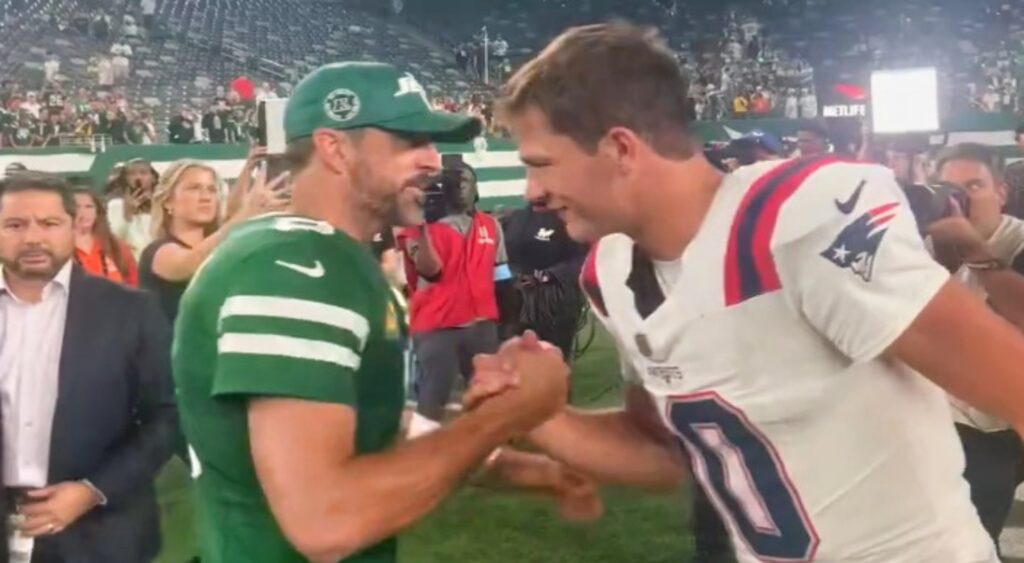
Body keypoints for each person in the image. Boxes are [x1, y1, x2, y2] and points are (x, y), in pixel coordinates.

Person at [470, 22, 1024, 562]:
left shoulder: (797, 220)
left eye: (541, 165)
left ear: (620, 148)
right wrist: (536, 415)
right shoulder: (611, 271)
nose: (533, 192)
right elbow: (669, 451)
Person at [173, 61, 596, 563]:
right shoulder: (298, 269)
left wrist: (531, 470)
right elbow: (325, 522)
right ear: (335, 148)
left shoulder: (315, 255)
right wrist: (512, 412)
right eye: (409, 140)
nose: (433, 161)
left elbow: (371, 423)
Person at [0, 172, 177, 562]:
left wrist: (93, 489)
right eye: (14, 224)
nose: (32, 238)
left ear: (74, 225)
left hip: (100, 533)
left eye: (48, 224)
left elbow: (166, 417)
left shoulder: (131, 311)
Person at [930, 143, 1024, 550]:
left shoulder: (1017, 240)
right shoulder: (927, 242)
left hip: (997, 423)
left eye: (975, 186)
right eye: (949, 189)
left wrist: (974, 250)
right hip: (936, 413)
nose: (961, 200)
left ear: (1001, 192)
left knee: (968, 539)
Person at [397, 162, 512, 437]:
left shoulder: (490, 225)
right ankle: (420, 455)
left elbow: (501, 275)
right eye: (454, 183)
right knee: (433, 397)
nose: (461, 189)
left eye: (467, 182)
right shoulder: (417, 230)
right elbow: (431, 271)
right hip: (438, 324)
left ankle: (487, 453)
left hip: (482, 322)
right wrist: (424, 227)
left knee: (487, 395)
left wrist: (508, 320)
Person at [138, 159, 283, 324]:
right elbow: (190, 264)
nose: (206, 197)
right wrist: (246, 213)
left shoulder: (228, 247)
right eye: (194, 188)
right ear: (168, 201)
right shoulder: (157, 252)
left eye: (212, 190)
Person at [73, 187, 138, 286]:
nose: (83, 212)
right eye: (76, 207)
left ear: (97, 212)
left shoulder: (116, 246)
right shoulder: (58, 249)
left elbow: (133, 284)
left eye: (89, 206)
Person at [107, 158, 158, 258]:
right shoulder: (116, 204)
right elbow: (113, 240)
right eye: (132, 174)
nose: (138, 177)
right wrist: (127, 214)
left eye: (143, 173)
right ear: (125, 178)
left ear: (153, 178)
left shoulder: (161, 203)